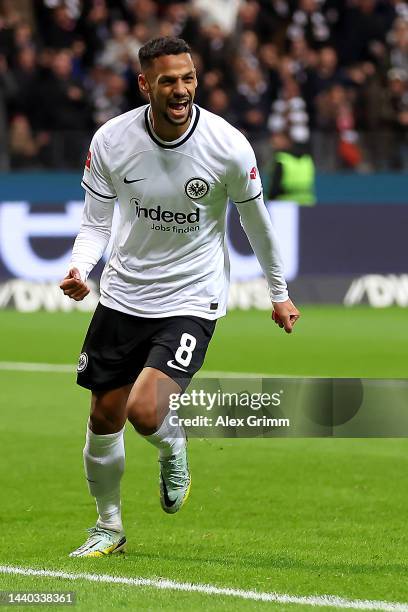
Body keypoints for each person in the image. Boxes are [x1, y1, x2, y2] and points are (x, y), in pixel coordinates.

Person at [60, 36, 300, 558]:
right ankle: (109, 527)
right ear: (145, 83)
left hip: (193, 295)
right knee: (104, 416)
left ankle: (173, 445)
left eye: (187, 78)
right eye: (168, 80)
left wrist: (278, 292)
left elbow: (256, 223)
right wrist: (81, 267)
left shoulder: (228, 146)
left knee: (145, 411)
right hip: (123, 293)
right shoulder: (111, 141)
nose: (180, 89)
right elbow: (95, 224)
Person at [267, 131, 316, 205]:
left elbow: (274, 188)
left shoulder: (281, 159)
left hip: (285, 205)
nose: (273, 144)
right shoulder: (307, 158)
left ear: (287, 140)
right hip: (307, 204)